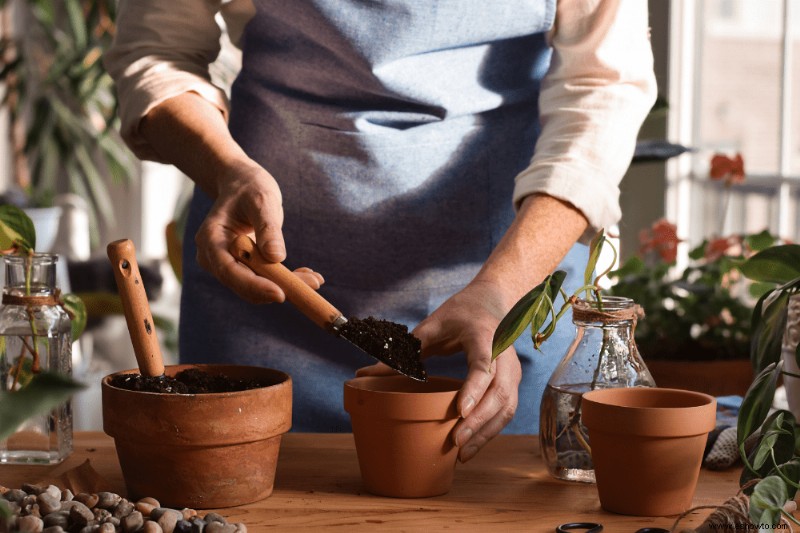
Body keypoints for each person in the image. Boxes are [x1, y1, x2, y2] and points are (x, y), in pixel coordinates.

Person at [105, 0, 656, 462]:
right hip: (266, 289)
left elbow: (603, 90)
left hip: (501, 298)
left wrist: (499, 293)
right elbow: (158, 51)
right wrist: (225, 170)